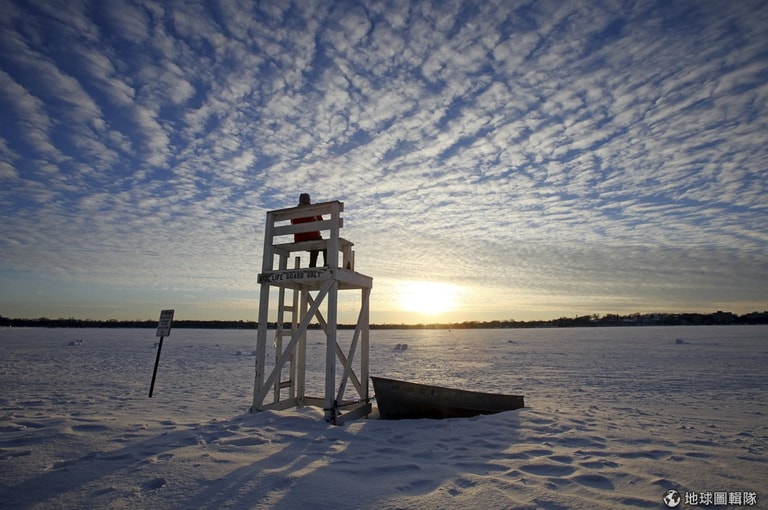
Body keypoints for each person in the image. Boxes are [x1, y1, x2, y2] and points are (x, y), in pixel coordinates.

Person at [291, 193, 326, 267]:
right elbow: (321, 224)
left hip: (298, 239)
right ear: (309, 200)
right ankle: (326, 265)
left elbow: (293, 223)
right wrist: (318, 211)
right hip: (312, 239)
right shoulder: (312, 210)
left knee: (316, 243)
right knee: (326, 245)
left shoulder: (293, 212)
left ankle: (312, 265)